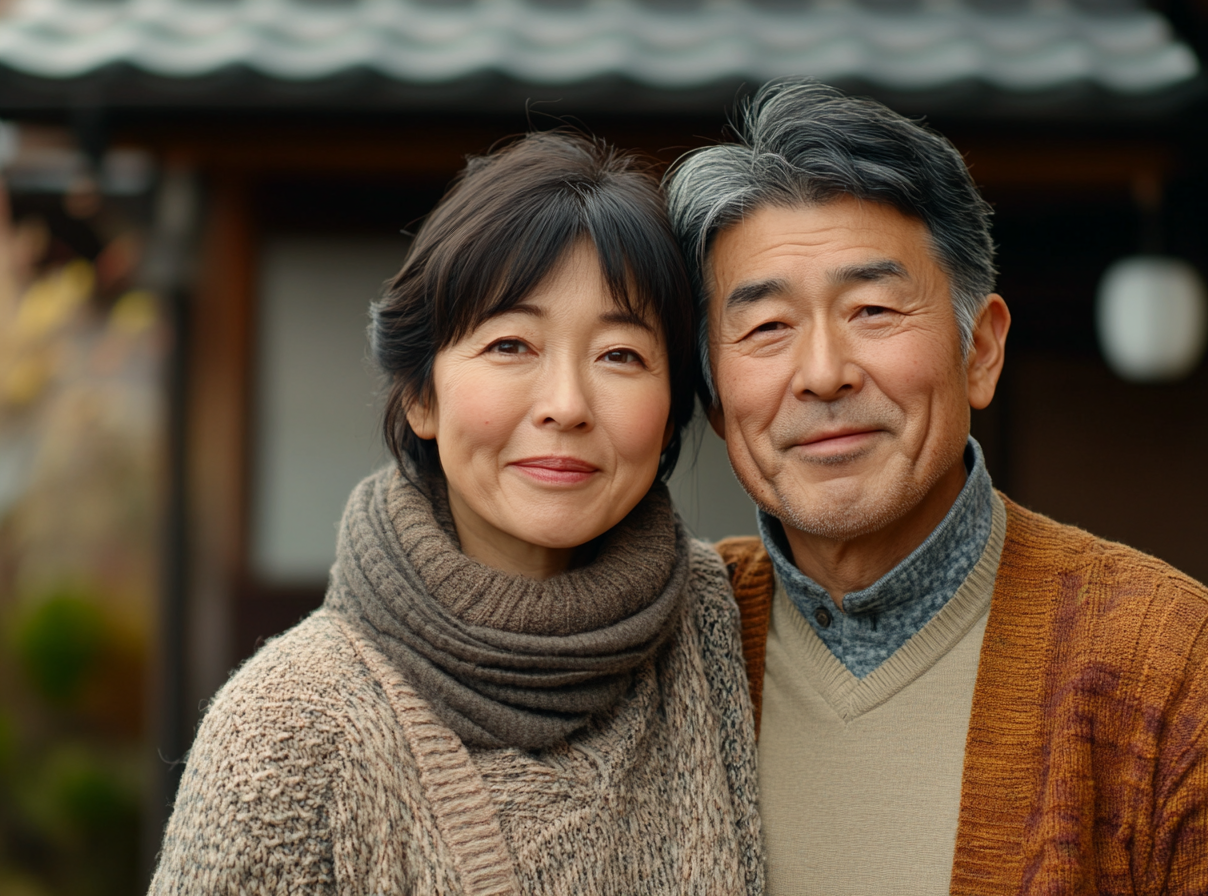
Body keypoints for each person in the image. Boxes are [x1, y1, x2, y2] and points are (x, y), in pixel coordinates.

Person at [665, 79, 1208, 895]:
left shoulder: (1179, 671)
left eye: (873, 309)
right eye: (766, 327)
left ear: (979, 351)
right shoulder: (673, 644)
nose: (823, 374)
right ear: (711, 397)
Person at [149, 131, 763, 895]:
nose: (566, 405)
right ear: (420, 395)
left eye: (620, 355)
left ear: (674, 411)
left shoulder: (733, 630)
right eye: (511, 344)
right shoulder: (287, 731)